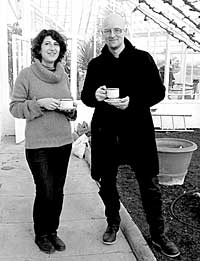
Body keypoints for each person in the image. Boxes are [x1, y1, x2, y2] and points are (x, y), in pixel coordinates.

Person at [81, 14, 180, 258]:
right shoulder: (96, 64)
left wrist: (132, 102)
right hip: (106, 133)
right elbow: (85, 97)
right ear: (102, 34)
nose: (112, 35)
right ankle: (113, 222)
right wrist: (96, 95)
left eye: (116, 30)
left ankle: (158, 234)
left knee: (150, 186)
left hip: (138, 133)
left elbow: (158, 92)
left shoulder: (142, 59)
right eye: (107, 31)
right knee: (107, 183)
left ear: (124, 30)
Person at [10, 29, 77, 254]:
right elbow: (15, 108)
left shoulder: (63, 74)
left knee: (58, 191)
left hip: (63, 142)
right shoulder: (26, 75)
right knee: (45, 190)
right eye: (47, 44)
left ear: (60, 50)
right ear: (39, 49)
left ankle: (53, 231)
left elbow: (68, 105)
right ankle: (41, 234)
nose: (52, 48)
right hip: (38, 145)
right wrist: (39, 104)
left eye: (56, 44)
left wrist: (70, 110)